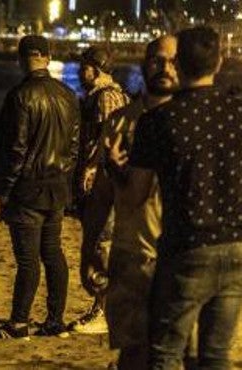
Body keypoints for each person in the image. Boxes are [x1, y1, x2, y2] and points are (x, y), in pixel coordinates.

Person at [129, 27, 242, 368]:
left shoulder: (158, 122)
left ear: (177, 64)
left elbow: (136, 195)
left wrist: (118, 169)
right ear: (219, 62)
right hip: (237, 246)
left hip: (187, 247)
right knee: (216, 354)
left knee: (166, 352)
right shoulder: (237, 114)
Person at [91, 35, 176, 370]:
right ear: (144, 63)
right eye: (157, 59)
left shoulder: (194, 123)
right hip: (130, 257)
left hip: (180, 259)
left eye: (173, 60)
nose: (165, 68)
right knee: (133, 351)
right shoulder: (121, 122)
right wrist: (88, 248)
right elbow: (101, 194)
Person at [0, 35, 79, 339]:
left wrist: (5, 189)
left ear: (22, 59)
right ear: (48, 58)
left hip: (28, 189)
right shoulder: (68, 95)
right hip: (57, 187)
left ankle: (19, 323)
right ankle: (55, 320)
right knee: (53, 253)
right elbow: (74, 146)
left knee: (27, 261)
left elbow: (16, 149)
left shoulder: (21, 96)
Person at [69, 45, 130, 336]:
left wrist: (92, 167)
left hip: (106, 180)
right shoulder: (103, 96)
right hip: (106, 179)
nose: (81, 71)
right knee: (99, 244)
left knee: (101, 245)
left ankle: (104, 311)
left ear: (98, 68)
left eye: (85, 66)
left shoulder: (107, 97)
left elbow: (111, 135)